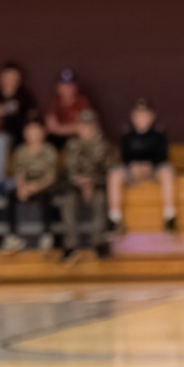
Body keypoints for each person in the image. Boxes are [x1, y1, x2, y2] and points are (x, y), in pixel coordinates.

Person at [109, 99, 177, 234]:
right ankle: (114, 219)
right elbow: (124, 156)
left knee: (167, 172)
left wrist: (149, 166)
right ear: (133, 117)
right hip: (133, 170)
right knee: (114, 174)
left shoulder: (158, 133)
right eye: (138, 114)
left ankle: (170, 217)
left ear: (151, 116)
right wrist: (133, 166)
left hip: (154, 170)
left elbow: (163, 156)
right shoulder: (127, 134)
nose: (142, 118)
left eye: (145, 114)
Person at [58, 110, 112, 260]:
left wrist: (91, 182)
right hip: (76, 185)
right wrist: (81, 182)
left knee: (100, 199)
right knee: (68, 201)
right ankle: (70, 244)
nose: (86, 130)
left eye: (89, 126)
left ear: (96, 127)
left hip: (98, 184)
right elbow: (70, 168)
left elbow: (109, 170)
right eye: (83, 126)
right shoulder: (72, 145)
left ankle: (99, 243)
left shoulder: (104, 146)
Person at [5, 119, 63, 253]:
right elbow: (18, 172)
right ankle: (12, 236)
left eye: (36, 131)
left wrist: (35, 187)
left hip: (44, 186)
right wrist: (21, 187)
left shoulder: (49, 150)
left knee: (47, 196)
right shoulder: (21, 151)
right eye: (30, 131)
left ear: (43, 133)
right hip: (26, 186)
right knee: (11, 195)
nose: (33, 134)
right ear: (25, 134)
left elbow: (50, 177)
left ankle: (46, 235)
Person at [43, 69, 91, 148]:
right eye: (64, 86)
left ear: (76, 87)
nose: (67, 89)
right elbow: (51, 127)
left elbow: (83, 127)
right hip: (57, 139)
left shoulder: (82, 102)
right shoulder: (53, 101)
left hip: (75, 138)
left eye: (70, 86)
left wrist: (60, 128)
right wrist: (73, 127)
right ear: (58, 87)